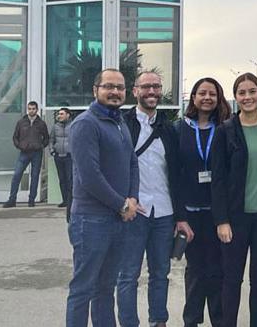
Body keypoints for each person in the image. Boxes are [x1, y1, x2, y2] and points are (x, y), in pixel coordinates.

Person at [66, 69, 140, 327]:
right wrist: (122, 204)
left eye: (119, 87)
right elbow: (90, 176)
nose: (115, 92)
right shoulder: (85, 124)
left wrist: (132, 198)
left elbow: (132, 163)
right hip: (90, 220)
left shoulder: (119, 122)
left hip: (118, 219)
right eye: (108, 86)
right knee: (82, 289)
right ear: (95, 90)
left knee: (106, 288)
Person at [210, 72, 257, 327]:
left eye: (252, 91)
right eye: (242, 92)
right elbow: (217, 180)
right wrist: (221, 220)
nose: (247, 96)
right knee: (231, 280)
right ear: (235, 97)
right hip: (235, 218)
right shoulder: (225, 131)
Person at [117, 70, 189, 327]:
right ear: (135, 91)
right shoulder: (122, 124)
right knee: (128, 276)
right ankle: (128, 323)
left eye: (156, 87)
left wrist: (181, 217)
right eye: (146, 87)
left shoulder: (169, 128)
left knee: (161, 274)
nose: (151, 92)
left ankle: (159, 321)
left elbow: (177, 175)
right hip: (133, 212)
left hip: (164, 212)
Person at [174, 77, 232, 327]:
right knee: (196, 270)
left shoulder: (227, 128)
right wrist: (180, 216)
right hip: (191, 213)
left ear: (219, 98)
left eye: (212, 94)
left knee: (218, 270)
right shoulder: (180, 129)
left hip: (220, 214)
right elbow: (174, 175)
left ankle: (220, 320)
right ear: (194, 98)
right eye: (202, 93)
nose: (207, 98)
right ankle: (192, 320)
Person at [3, 100, 50, 208]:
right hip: (24, 152)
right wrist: (19, 145)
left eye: (33, 109)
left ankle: (31, 200)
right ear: (27, 109)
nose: (31, 111)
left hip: (36, 153)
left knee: (34, 177)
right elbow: (15, 137)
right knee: (16, 175)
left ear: (37, 110)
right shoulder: (21, 122)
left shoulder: (41, 123)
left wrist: (41, 145)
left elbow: (46, 138)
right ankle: (12, 200)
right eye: (29, 108)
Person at [52, 108, 74, 211]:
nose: (59, 116)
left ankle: (71, 200)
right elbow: (51, 139)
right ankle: (65, 200)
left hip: (69, 156)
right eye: (58, 114)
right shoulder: (55, 127)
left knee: (70, 179)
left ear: (68, 115)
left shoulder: (73, 126)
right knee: (62, 179)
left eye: (61, 114)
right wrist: (52, 151)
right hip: (58, 156)